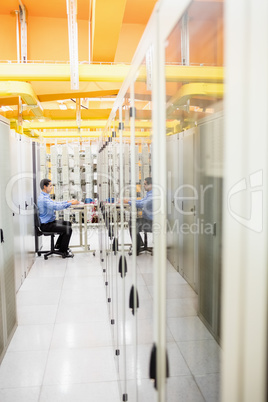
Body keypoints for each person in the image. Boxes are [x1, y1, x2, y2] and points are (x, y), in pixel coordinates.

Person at [37, 178, 79, 258]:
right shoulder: (43, 199)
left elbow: (55, 203)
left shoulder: (45, 196)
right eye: (50, 185)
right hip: (46, 225)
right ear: (45, 187)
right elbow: (55, 206)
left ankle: (59, 246)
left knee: (68, 224)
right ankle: (63, 251)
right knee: (68, 229)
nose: (52, 187)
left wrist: (68, 202)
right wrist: (69, 204)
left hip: (50, 222)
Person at [124, 177, 153, 255]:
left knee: (132, 224)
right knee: (132, 222)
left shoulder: (153, 195)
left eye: (145, 184)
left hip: (151, 222)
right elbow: (141, 201)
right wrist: (129, 200)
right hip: (147, 219)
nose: (144, 186)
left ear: (151, 185)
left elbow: (142, 204)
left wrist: (129, 202)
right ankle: (139, 244)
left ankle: (138, 247)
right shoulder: (149, 193)